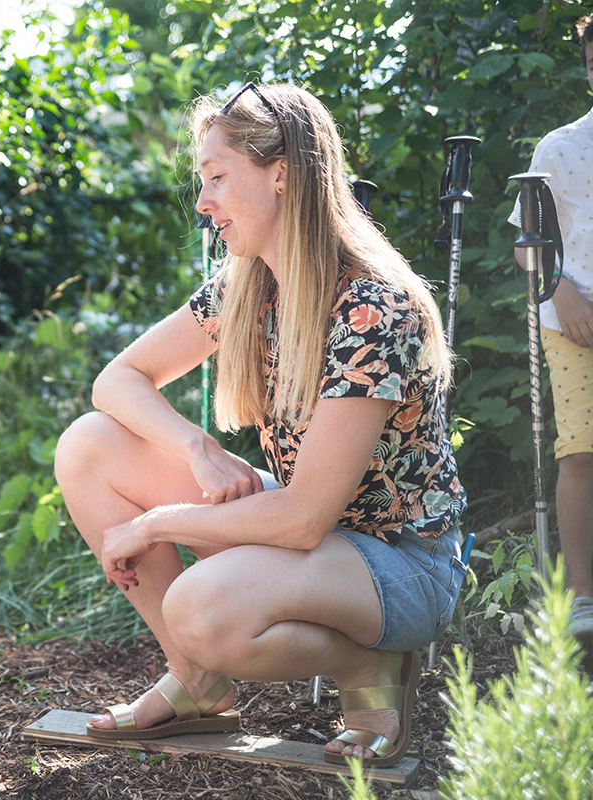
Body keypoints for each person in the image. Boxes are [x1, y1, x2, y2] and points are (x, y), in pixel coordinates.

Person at [54, 82, 467, 768]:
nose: (202, 201)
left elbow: (303, 519)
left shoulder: (371, 309)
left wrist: (157, 524)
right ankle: (197, 680)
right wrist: (199, 447)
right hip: (315, 539)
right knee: (88, 446)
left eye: (217, 177)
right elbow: (115, 383)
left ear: (282, 176)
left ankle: (369, 669)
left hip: (400, 563)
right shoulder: (247, 288)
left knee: (201, 608)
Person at [510, 13, 593, 645]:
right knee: (582, 453)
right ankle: (584, 599)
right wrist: (560, 288)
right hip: (573, 320)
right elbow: (528, 244)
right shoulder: (558, 148)